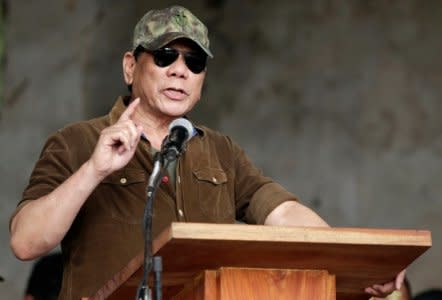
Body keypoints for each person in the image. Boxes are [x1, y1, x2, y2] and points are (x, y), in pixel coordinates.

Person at [9, 5, 404, 300]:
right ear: (130, 67)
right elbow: (26, 242)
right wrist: (94, 170)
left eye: (194, 62)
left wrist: (355, 262)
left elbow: (282, 212)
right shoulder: (76, 141)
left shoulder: (221, 150)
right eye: (166, 56)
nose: (180, 70)